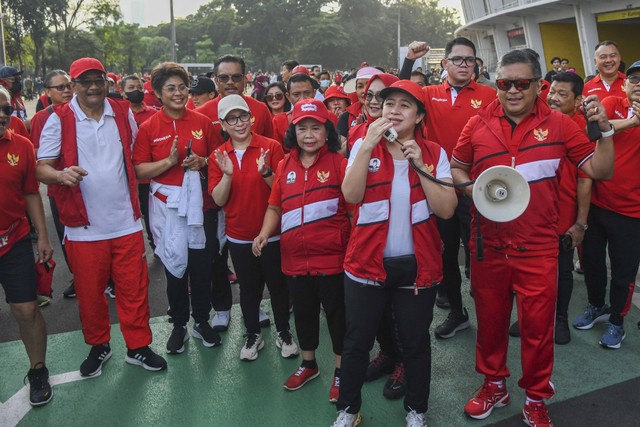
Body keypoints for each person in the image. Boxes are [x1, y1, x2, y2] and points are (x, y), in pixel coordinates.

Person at [450, 49, 615, 426]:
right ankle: (494, 384)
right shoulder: (477, 123)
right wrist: (469, 188)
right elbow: (457, 166)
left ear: (539, 86)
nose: (511, 91)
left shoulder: (560, 124)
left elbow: (601, 170)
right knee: (490, 325)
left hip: (538, 249)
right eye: (504, 83)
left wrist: (604, 130)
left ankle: (536, 397)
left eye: (521, 83)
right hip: (487, 245)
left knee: (537, 331)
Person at [332, 80, 457, 427]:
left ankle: (416, 410)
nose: (394, 110)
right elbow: (351, 195)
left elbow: (446, 210)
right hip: (365, 266)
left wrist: (423, 169)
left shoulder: (434, 153)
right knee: (357, 342)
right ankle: (349, 410)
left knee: (416, 343)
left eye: (405, 105)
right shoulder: (362, 144)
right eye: (389, 104)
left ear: (419, 116)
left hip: (418, 269)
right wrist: (367, 146)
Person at [36, 57, 167, 376]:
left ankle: (138, 347)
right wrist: (60, 175)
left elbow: (138, 156)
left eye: (99, 80)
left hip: (125, 222)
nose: (94, 86)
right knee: (90, 294)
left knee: (134, 290)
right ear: (74, 86)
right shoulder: (58, 118)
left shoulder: (122, 112)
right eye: (85, 81)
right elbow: (42, 168)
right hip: (83, 228)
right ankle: (99, 346)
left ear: (108, 84)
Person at [252, 98, 349, 403]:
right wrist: (265, 233)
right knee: (304, 313)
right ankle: (309, 364)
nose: (309, 134)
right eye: (302, 128)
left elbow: (352, 210)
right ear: (294, 132)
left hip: (332, 259)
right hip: (295, 259)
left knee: (337, 316)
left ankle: (340, 371)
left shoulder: (340, 163)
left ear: (327, 131)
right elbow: (274, 205)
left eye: (316, 128)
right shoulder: (284, 165)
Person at [401, 38, 497, 339]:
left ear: (476, 65)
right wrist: (409, 60)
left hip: (474, 188)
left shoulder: (490, 95)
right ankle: (457, 311)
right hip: (439, 187)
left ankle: (489, 314)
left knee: (479, 257)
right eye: (457, 59)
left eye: (470, 60)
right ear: (445, 64)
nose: (464, 65)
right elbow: (401, 94)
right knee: (445, 256)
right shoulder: (429, 94)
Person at [132, 62, 222, 354]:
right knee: (174, 268)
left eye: (183, 87)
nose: (179, 93)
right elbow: (139, 170)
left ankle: (201, 321)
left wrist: (203, 162)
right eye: (171, 88)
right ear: (157, 93)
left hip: (201, 207)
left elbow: (219, 157)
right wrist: (168, 163)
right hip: (166, 208)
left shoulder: (202, 122)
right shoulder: (148, 128)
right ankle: (179, 324)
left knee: (201, 265)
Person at [209, 94, 298, 361]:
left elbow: (284, 192)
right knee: (248, 288)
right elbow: (219, 199)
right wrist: (226, 174)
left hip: (274, 233)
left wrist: (266, 174)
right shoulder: (218, 155)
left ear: (252, 118)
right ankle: (253, 334)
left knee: (278, 286)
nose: (239, 123)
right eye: (232, 119)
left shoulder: (270, 147)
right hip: (239, 235)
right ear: (223, 124)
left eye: (243, 116)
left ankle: (283, 331)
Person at [510, 71, 593, 344]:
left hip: (563, 217)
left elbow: (586, 179)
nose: (554, 98)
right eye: (552, 92)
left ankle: (559, 319)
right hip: (530, 214)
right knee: (525, 269)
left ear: (578, 100)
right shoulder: (534, 121)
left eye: (562, 94)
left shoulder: (583, 129)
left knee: (562, 271)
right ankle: (528, 317)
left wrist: (580, 223)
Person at [573, 60, 640, 349]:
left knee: (624, 272)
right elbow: (598, 130)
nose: (639, 84)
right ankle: (596, 306)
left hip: (632, 211)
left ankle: (617, 322)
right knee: (592, 263)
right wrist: (635, 121)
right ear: (625, 84)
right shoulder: (612, 102)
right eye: (635, 79)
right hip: (597, 204)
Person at [0, 86, 54, 406]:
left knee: (27, 309)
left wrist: (44, 237)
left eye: (7, 109)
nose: (4, 115)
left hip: (15, 240)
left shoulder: (21, 145)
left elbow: (32, 193)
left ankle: (38, 370)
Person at [29, 70, 75, 301]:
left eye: (68, 85)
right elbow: (38, 157)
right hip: (60, 190)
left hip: (89, 186)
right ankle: (78, 276)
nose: (66, 90)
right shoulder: (41, 119)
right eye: (60, 87)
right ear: (47, 92)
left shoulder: (85, 109)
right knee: (67, 236)